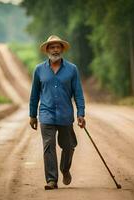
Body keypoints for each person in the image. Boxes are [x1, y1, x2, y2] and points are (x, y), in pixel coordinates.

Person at [29, 35, 86, 190]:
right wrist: (32, 115)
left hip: (65, 115)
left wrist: (81, 114)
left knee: (69, 146)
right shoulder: (39, 70)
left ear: (62, 49)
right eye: (52, 47)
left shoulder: (72, 69)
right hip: (46, 114)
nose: (55, 50)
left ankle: (65, 169)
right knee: (48, 146)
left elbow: (78, 93)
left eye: (57, 47)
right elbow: (34, 94)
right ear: (47, 50)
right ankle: (51, 180)